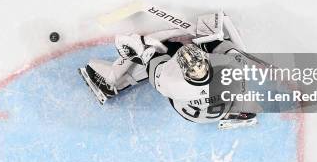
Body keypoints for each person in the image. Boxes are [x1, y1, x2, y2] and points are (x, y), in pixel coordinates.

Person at [79, 17, 260, 129]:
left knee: (161, 52)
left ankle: (112, 85)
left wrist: (142, 49)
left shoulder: (171, 81)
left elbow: (151, 60)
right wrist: (211, 42)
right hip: (218, 108)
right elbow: (235, 54)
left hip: (189, 112)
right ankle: (244, 112)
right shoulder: (231, 68)